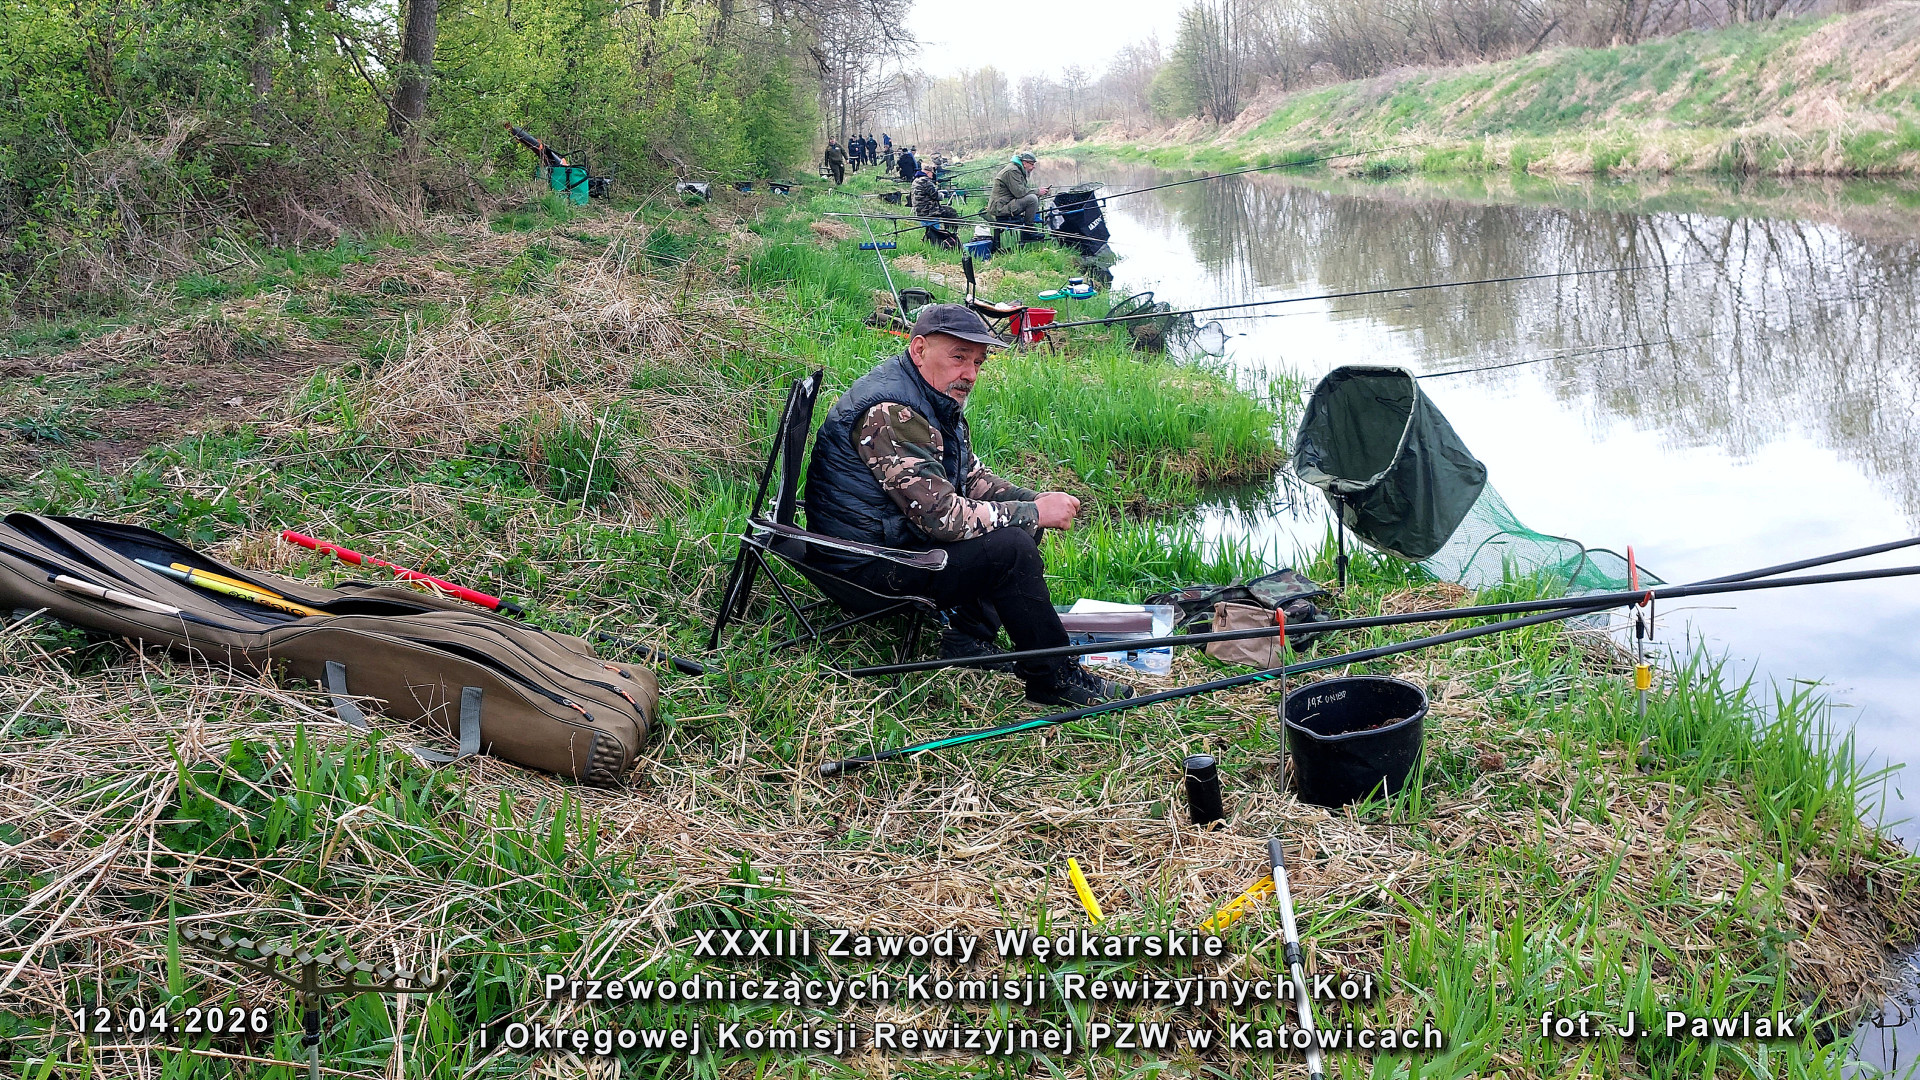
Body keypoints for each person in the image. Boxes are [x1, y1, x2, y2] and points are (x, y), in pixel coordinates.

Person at [804, 305, 1134, 708]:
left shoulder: (931, 397)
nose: (971, 374)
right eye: (959, 357)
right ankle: (1053, 677)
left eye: (978, 362)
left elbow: (970, 478)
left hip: (891, 542)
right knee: (1011, 547)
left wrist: (1032, 501)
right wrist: (1032, 514)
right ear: (919, 349)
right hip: (863, 565)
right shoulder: (893, 412)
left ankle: (968, 641)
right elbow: (941, 517)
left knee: (1018, 522)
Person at [988, 152, 1049, 245]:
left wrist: (1037, 192)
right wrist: (1037, 191)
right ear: (1024, 163)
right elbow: (1019, 193)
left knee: (1033, 197)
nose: (1033, 167)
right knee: (1032, 199)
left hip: (1005, 203)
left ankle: (1029, 229)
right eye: (1032, 164)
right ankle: (1028, 232)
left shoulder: (1016, 169)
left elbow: (1021, 191)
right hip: (1000, 208)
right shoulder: (1012, 171)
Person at [912, 167, 959, 248]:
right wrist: (942, 195)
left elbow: (927, 193)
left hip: (919, 210)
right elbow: (936, 196)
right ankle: (940, 243)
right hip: (929, 211)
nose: (932, 175)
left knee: (928, 230)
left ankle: (928, 244)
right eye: (932, 173)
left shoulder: (915, 181)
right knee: (936, 231)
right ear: (928, 172)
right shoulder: (926, 181)